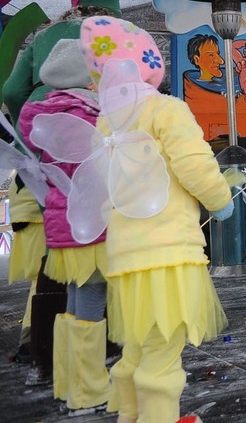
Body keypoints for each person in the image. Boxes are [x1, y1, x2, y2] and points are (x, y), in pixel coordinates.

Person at [79, 16, 234, 422]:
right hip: (168, 255)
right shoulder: (166, 109)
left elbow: (100, 192)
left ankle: (131, 416)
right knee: (162, 358)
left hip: (126, 259)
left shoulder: (106, 124)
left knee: (136, 350)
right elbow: (194, 164)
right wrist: (219, 200)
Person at [2, 0, 121, 388]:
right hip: (95, 158)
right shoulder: (114, 37)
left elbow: (12, 91)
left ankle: (41, 348)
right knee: (97, 258)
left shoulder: (41, 38)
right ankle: (101, 344)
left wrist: (32, 132)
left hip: (37, 165)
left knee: (49, 259)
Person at [19, 39, 110, 416]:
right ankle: (88, 393)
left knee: (72, 302)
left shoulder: (44, 117)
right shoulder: (88, 116)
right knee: (91, 301)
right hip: (90, 226)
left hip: (61, 225)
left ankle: (70, 383)